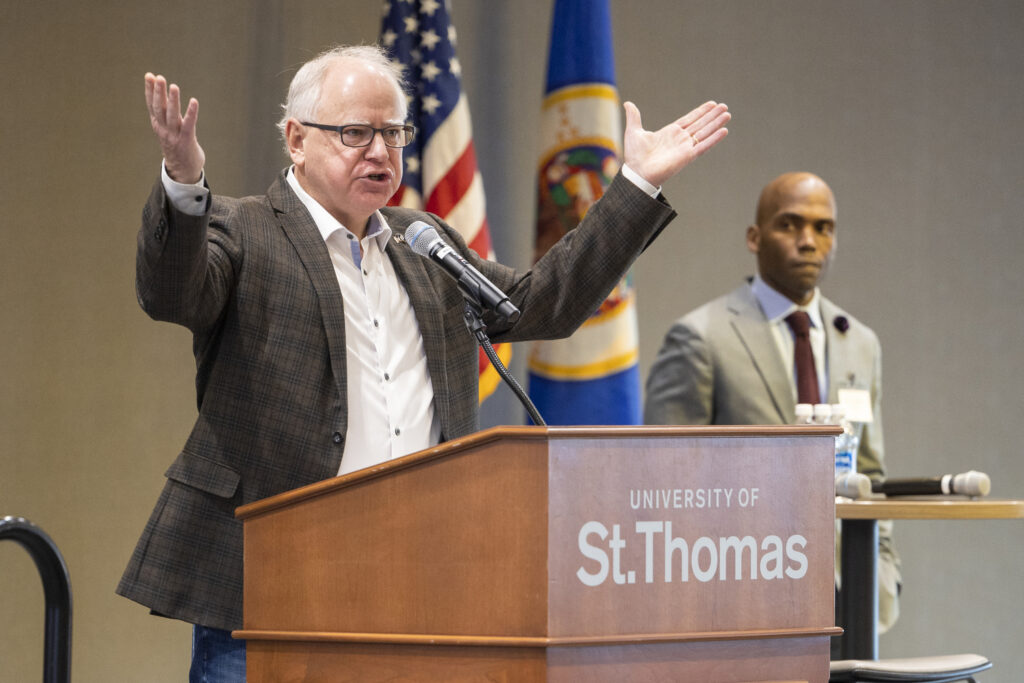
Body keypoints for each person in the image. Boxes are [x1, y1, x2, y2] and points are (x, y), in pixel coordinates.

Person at [118, 44, 730, 681]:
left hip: (416, 580)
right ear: (296, 140)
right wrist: (185, 185)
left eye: (394, 133)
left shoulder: (424, 241)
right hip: (269, 584)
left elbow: (540, 305)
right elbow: (171, 291)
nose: (380, 152)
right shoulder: (242, 229)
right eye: (356, 132)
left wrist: (636, 185)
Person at [644, 172, 901, 636]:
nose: (809, 242)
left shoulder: (860, 342)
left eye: (824, 228)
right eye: (791, 225)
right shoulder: (702, 337)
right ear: (754, 237)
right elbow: (667, 488)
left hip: (853, 598)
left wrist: (885, 573)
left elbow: (871, 474)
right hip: (738, 601)